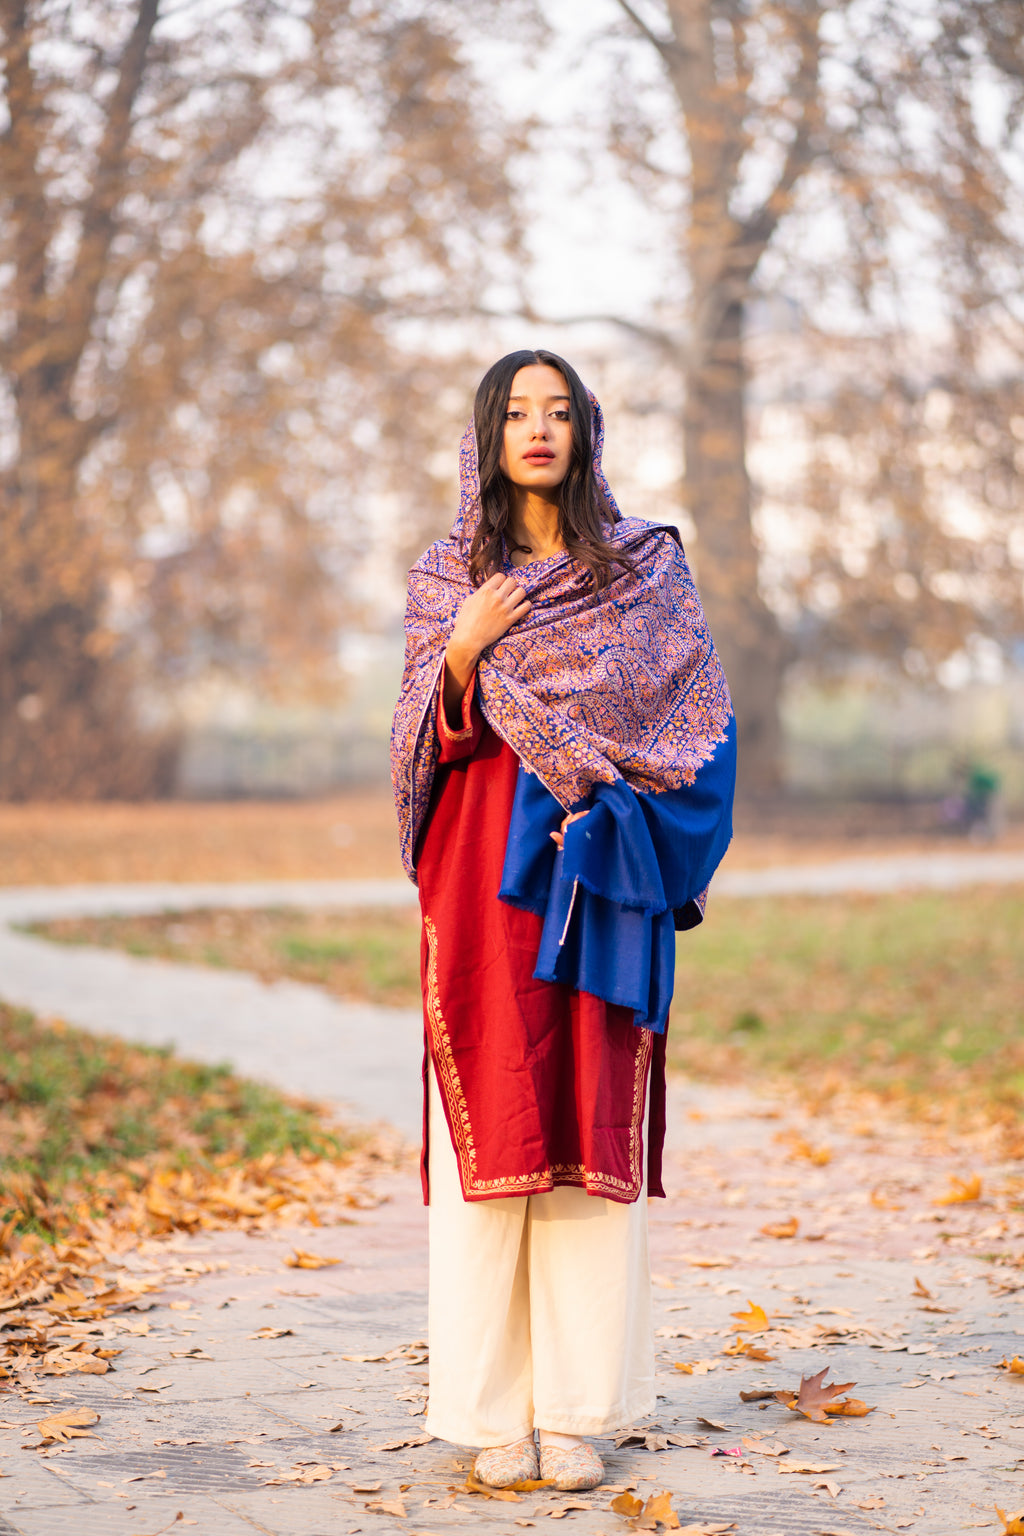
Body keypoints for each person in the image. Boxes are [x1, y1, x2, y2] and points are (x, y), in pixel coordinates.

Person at [391, 349, 736, 1492]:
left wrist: (619, 810)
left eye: (557, 411)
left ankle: (579, 1412)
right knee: (495, 1122)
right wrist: (461, 650)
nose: (536, 429)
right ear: (484, 437)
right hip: (481, 880)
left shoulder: (645, 570)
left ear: (586, 430)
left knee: (586, 1125)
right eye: (515, 413)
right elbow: (416, 740)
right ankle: (492, 1415)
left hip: (604, 880)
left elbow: (697, 722)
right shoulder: (447, 576)